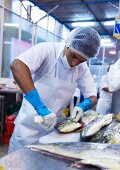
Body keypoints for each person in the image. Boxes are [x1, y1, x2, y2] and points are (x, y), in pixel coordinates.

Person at [9, 27, 101, 153]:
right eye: (73, 56)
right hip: (27, 128)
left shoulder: (82, 68)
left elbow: (92, 96)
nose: (75, 63)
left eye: (81, 60)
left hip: (53, 131)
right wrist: (40, 107)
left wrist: (83, 106)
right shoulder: (47, 50)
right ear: (68, 43)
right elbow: (17, 65)